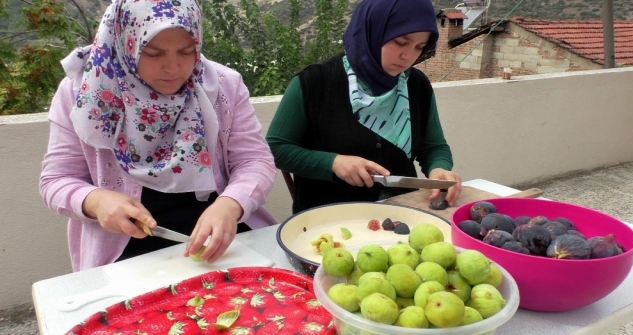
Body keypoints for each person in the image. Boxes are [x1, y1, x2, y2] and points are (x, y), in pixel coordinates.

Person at [39, 0, 277, 272]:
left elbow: (255, 161)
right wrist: (96, 201)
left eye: (187, 52)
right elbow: (56, 181)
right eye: (153, 53)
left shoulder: (222, 86)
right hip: (129, 252)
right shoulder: (83, 94)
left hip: (220, 242)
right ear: (125, 43)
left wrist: (231, 204)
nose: (173, 68)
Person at [266, 0, 462, 214]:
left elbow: (433, 146)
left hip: (402, 214)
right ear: (373, 29)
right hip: (327, 222)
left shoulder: (415, 84)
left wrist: (439, 168)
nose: (408, 56)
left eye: (419, 47)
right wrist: (333, 162)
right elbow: (276, 148)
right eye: (399, 42)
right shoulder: (314, 82)